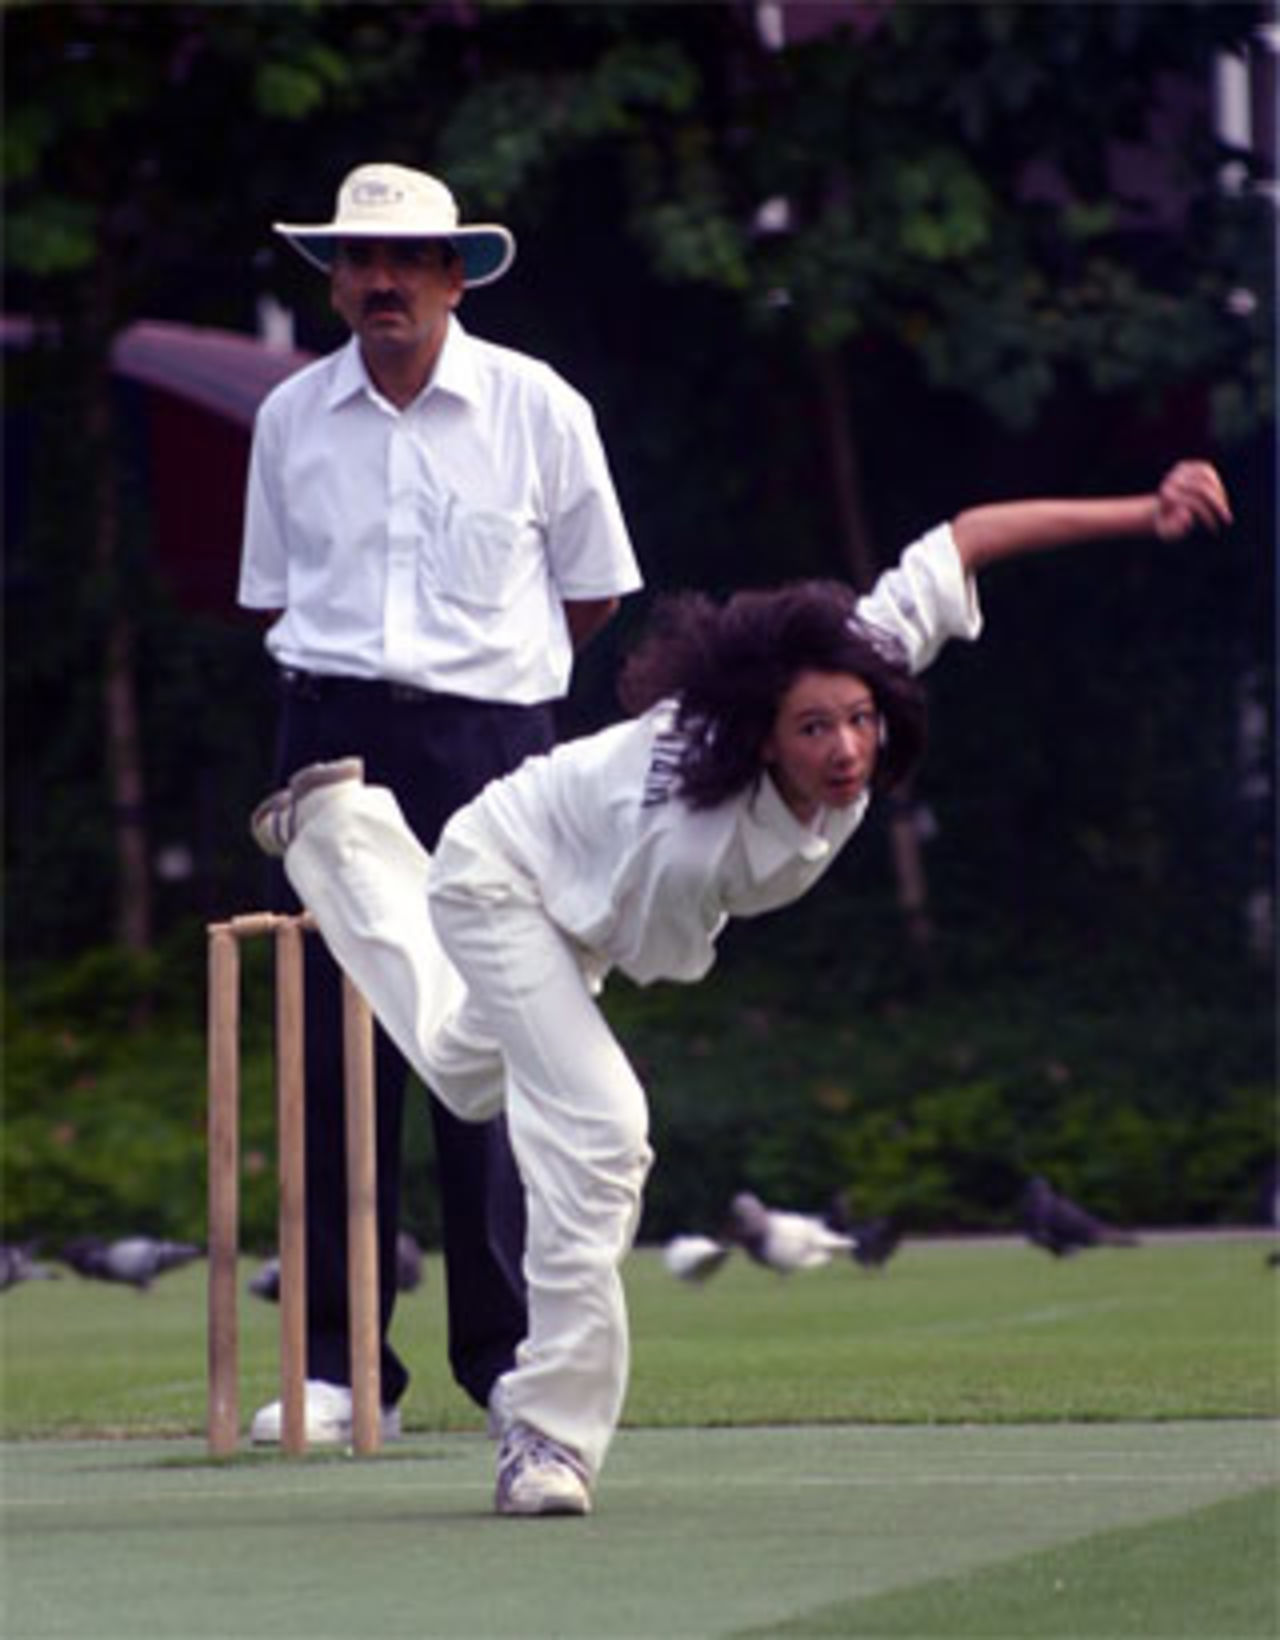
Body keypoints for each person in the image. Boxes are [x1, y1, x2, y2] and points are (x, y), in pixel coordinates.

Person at [249, 460, 1230, 1512]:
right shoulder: (689, 823)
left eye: (858, 719)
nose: (846, 748)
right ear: (762, 733)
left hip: (569, 885)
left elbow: (965, 535)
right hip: (508, 878)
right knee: (600, 1128)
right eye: (814, 730)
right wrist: (570, 1074)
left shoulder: (857, 669)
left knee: (460, 1067)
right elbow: (619, 973)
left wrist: (1141, 508)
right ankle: (544, 1436)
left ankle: (338, 831)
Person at [237, 163, 642, 1444]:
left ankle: (504, 1358)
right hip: (331, 733)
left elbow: (593, 595)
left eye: (407, 260)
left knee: (493, 1039)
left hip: (493, 746)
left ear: (456, 273)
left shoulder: (537, 406)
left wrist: (489, 696)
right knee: (328, 1048)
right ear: (334, 279)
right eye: (357, 262)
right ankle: (334, 1367)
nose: (380, 282)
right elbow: (269, 597)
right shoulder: (291, 417)